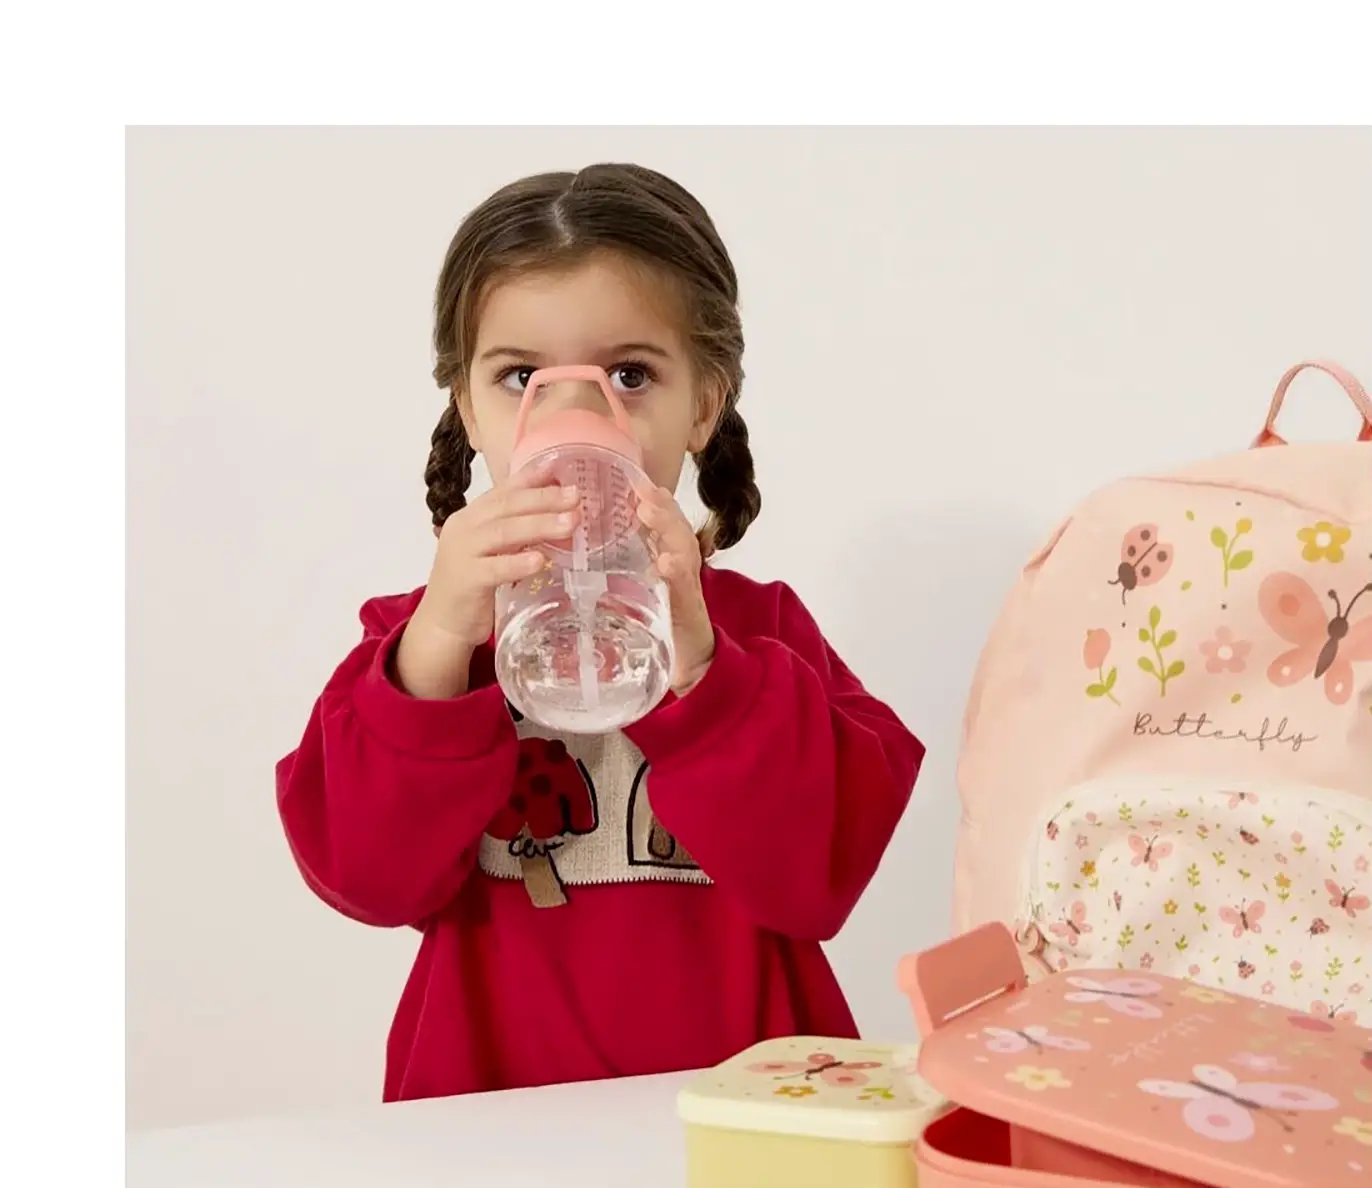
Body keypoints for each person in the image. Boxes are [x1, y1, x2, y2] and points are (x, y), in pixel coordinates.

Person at [275, 164, 924, 1101]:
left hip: (739, 1108)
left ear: (704, 404)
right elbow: (368, 881)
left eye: (629, 376)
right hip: (491, 1116)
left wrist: (704, 665)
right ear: (468, 409)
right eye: (521, 378)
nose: (576, 418)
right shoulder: (422, 648)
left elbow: (816, 881)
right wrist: (442, 634)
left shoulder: (763, 633)